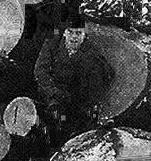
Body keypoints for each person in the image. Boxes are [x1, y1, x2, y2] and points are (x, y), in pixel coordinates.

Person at [34, 11, 114, 142]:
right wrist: (52, 92)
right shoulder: (52, 44)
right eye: (70, 32)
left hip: (76, 95)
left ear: (84, 35)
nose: (74, 37)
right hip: (53, 92)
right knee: (53, 119)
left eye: (78, 33)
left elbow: (106, 74)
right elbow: (40, 71)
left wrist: (91, 101)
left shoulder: (91, 51)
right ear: (64, 32)